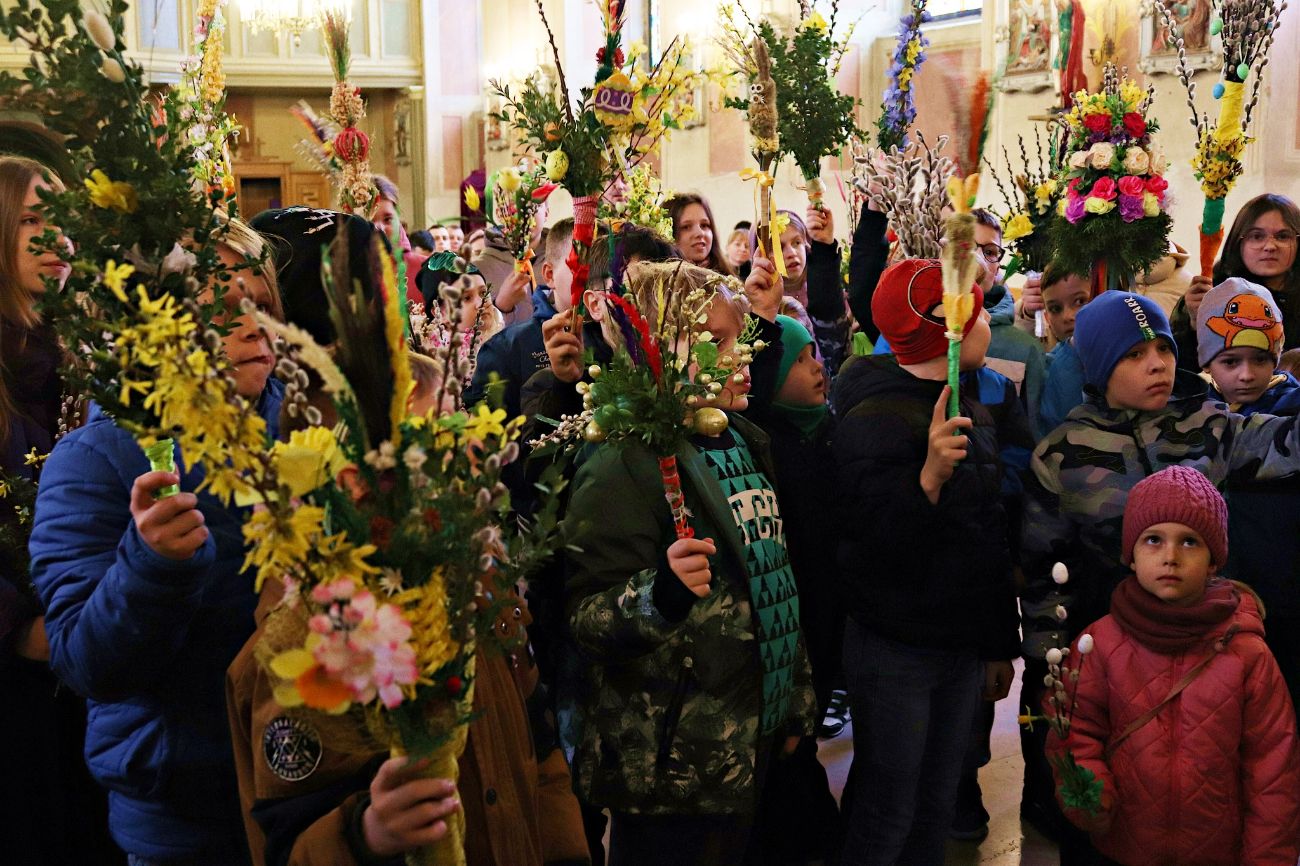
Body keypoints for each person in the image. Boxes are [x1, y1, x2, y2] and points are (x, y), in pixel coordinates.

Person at [30, 217, 286, 866]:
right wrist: (149, 567)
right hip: (191, 813)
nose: (255, 327)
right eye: (228, 311)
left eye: (263, 306)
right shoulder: (95, 458)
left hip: (316, 790)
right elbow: (87, 664)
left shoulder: (313, 426)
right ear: (161, 329)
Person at [1018, 289, 1300, 850]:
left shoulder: (1208, 423)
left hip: (1199, 643)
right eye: (1133, 355)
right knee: (1111, 789)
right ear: (1098, 366)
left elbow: (1283, 445)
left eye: (1164, 350)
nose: (1157, 365)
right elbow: (1040, 569)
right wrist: (1047, 671)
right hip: (1106, 648)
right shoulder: (1063, 452)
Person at [563, 262, 814, 866]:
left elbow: (772, 575)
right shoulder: (623, 460)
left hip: (742, 740)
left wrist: (793, 699)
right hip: (669, 764)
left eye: (740, 337)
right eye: (723, 341)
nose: (745, 355)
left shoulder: (740, 439)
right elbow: (583, 615)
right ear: (665, 344)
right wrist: (662, 594)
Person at [833, 259, 1022, 865]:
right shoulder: (872, 419)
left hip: (959, 643)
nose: (988, 316)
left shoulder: (971, 406)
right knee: (888, 808)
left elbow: (984, 535)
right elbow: (870, 545)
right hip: (897, 647)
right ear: (939, 325)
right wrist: (927, 481)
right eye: (976, 308)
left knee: (937, 803)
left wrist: (996, 642)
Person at [1046, 466, 1300, 865]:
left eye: (1190, 542)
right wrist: (1089, 794)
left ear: (1214, 560)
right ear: (1130, 556)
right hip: (1124, 847)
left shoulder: (1247, 654)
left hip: (1217, 850)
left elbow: (1272, 770)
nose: (1170, 556)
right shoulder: (1100, 644)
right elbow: (1076, 732)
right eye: (1153, 540)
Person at [0, 156, 122, 866]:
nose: (58, 240)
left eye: (65, 221)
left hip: (98, 652)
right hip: (19, 680)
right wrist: (21, 629)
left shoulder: (89, 352)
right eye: (33, 222)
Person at [744, 316, 842, 865]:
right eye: (800, 359)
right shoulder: (765, 445)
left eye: (815, 355)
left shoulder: (827, 432)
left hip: (825, 617)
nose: (817, 366)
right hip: (787, 623)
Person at [1196, 278, 1300, 707]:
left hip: (1287, 595)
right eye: (1230, 360)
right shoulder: (1191, 416)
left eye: (1261, 359)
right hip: (1216, 599)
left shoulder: (1293, 409)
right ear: (1207, 362)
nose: (1246, 373)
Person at [1171, 193, 1300, 367]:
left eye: (1283, 236)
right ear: (1238, 242)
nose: (1270, 246)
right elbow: (1178, 370)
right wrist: (1195, 324)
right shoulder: (1211, 289)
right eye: (1257, 236)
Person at [745, 208, 852, 379]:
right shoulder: (758, 308)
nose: (791, 253)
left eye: (797, 242)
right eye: (779, 248)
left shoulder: (827, 291)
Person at [1036, 264, 1093, 437]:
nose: (1068, 316)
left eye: (1080, 301)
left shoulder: (1130, 354)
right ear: (1047, 317)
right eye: (1055, 309)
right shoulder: (1048, 370)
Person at [665, 193, 733, 277]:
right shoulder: (656, 283)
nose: (700, 233)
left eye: (704, 225)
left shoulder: (729, 282)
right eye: (686, 227)